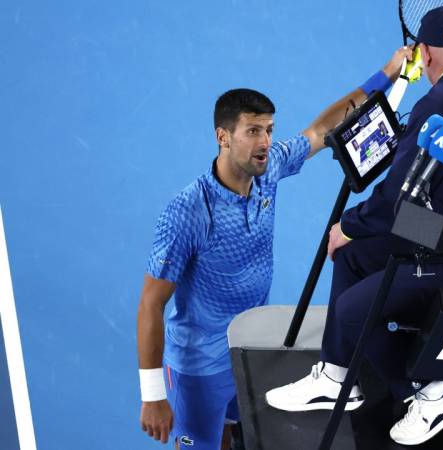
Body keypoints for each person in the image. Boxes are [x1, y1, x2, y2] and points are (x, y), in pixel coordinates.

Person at [265, 4, 443, 446]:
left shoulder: (441, 103)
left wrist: (349, 225)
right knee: (357, 256)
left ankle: (435, 392)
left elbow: (395, 202)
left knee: (355, 302)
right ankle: (337, 376)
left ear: (426, 57)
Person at [136, 47, 413, 450]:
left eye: (268, 129)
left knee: (238, 430)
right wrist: (152, 394)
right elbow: (150, 304)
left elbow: (323, 129)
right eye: (253, 131)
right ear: (223, 136)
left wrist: (387, 74)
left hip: (248, 345)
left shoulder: (269, 170)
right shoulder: (189, 211)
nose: (265, 141)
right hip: (200, 370)